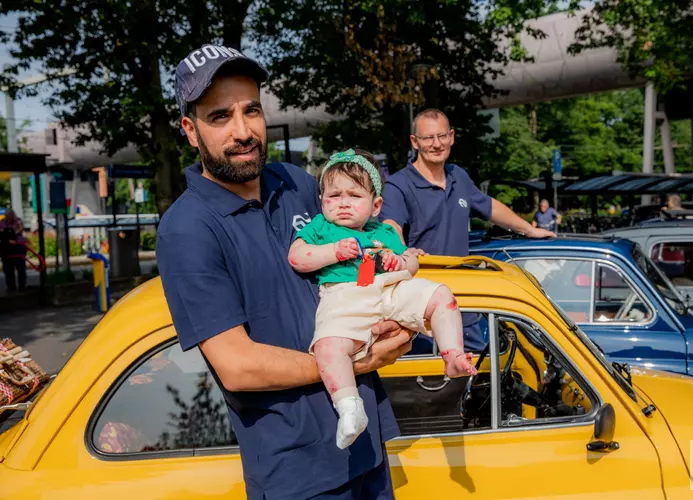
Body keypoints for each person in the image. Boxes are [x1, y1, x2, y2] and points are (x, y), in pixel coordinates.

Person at [157, 44, 412, 500]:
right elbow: (238, 367)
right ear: (190, 131)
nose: (243, 130)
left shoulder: (294, 183)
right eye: (220, 117)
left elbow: (361, 256)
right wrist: (354, 362)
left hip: (367, 447)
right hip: (298, 475)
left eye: (251, 110)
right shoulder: (187, 229)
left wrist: (394, 303)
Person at [288, 148, 477, 450]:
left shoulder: (384, 231)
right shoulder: (320, 228)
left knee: (441, 295)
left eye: (354, 195)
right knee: (327, 347)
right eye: (333, 196)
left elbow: (411, 261)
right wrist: (332, 252)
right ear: (321, 202)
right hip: (344, 298)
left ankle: (453, 354)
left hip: (390, 288)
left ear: (375, 205)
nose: (343, 203)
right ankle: (350, 407)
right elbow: (297, 256)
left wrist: (400, 262)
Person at [379, 108, 555, 352]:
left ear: (451, 136)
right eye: (428, 138)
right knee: (430, 385)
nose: (437, 144)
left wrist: (530, 230)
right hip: (422, 311)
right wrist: (404, 251)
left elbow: (489, 206)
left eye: (442, 136)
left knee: (476, 380)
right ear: (415, 142)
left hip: (465, 306)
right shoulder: (398, 185)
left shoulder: (458, 176)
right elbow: (390, 228)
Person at [0, 209, 27, 293]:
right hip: (7, 248)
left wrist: (11, 235)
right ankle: (12, 286)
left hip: (18, 247)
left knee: (20, 268)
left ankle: (21, 286)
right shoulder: (2, 222)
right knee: (8, 269)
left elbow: (20, 229)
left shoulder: (18, 221)